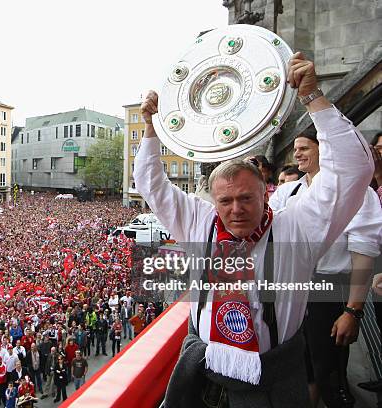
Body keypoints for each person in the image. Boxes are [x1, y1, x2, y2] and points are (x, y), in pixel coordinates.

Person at [135, 53, 373, 407]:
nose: (236, 209)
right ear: (213, 201)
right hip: (203, 378)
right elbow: (151, 183)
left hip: (274, 384)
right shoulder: (199, 221)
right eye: (226, 201)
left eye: (246, 197)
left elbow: (354, 169)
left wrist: (313, 98)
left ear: (267, 194)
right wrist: (152, 129)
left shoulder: (297, 227)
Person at [269, 127, 382, 407]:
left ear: (326, 150)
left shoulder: (356, 193)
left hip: (330, 290)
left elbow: (363, 253)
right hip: (292, 287)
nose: (297, 153)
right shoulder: (287, 191)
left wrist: (353, 311)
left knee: (327, 366)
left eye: (305, 147)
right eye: (296, 148)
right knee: (297, 362)